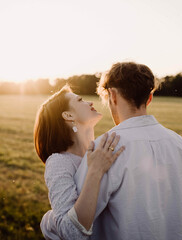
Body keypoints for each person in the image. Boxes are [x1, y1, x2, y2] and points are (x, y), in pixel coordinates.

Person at [74, 62, 182, 240]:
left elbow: (76, 224)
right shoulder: (180, 144)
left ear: (112, 96)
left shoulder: (104, 148)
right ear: (150, 98)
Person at [34, 85, 125, 239]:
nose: (90, 102)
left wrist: (49, 222)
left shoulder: (104, 151)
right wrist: (95, 170)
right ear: (68, 115)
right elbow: (70, 232)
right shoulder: (59, 162)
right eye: (80, 100)